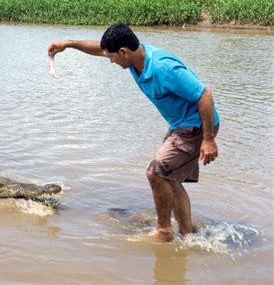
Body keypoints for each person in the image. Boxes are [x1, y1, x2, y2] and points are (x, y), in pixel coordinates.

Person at [48, 23, 219, 242]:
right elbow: (99, 49)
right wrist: (68, 45)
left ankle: (164, 230)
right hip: (181, 124)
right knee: (170, 179)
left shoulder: (162, 68)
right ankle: (188, 235)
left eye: (112, 57)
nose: (111, 61)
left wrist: (208, 140)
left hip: (196, 126)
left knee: (155, 173)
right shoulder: (133, 58)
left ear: (123, 52)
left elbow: (204, 95)